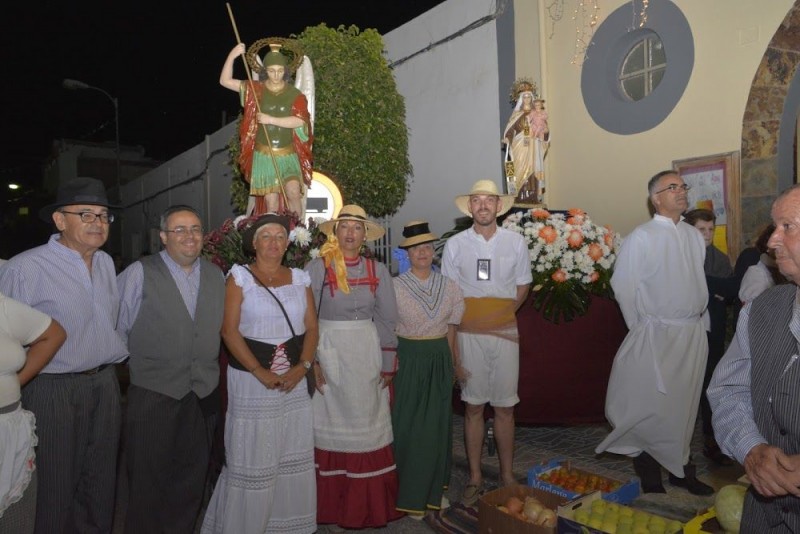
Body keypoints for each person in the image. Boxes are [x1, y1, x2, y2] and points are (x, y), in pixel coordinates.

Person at [0, 176, 130, 533]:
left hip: (105, 384)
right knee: (55, 488)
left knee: (101, 484)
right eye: (85, 214)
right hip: (52, 390)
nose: (97, 223)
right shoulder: (25, 269)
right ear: (59, 220)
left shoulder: (105, 263)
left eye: (103, 216)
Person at [595, 171, 714, 496]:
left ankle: (681, 470)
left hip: (691, 332)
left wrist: (699, 322)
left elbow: (696, 281)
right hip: (656, 332)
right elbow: (623, 285)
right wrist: (642, 325)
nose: (680, 192)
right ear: (656, 198)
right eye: (671, 187)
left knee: (685, 404)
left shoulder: (692, 235)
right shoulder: (642, 237)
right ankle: (650, 474)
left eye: (682, 187)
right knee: (654, 403)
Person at [202, 213, 319, 533]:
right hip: (251, 382)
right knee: (251, 452)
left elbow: (311, 328)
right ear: (253, 244)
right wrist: (259, 371)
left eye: (280, 237)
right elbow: (229, 331)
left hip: (293, 381)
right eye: (266, 237)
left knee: (289, 448)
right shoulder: (239, 278)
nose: (274, 243)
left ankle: (286, 525)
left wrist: (303, 367)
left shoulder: (300, 279)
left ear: (288, 244)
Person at [116, 205, 225, 533]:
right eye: (179, 230)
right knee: (148, 479)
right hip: (154, 395)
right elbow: (117, 329)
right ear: (163, 237)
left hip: (202, 393)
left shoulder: (217, 275)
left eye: (195, 229)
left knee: (191, 478)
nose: (189, 236)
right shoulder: (139, 272)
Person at [708, 184, 800, 531]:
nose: (772, 241)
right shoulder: (760, 311)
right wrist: (752, 448)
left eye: (786, 227)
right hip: (765, 518)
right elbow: (727, 390)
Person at [305, 204, 402, 529]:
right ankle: (330, 506)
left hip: (365, 355)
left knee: (366, 423)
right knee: (329, 424)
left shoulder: (379, 271)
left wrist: (388, 362)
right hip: (329, 354)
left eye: (356, 228)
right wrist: (312, 362)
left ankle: (368, 505)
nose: (349, 233)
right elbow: (307, 321)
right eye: (344, 226)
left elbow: (388, 320)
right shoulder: (317, 268)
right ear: (336, 232)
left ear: (364, 235)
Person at [441, 180, 532, 504]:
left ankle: (507, 474)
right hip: (468, 335)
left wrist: (500, 315)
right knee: (474, 405)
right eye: (476, 200)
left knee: (506, 406)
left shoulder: (515, 242)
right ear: (470, 208)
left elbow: (523, 286)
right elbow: (450, 294)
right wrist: (466, 329)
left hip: (505, 333)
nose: (482, 206)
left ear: (498, 206)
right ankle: (477, 476)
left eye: (488, 200)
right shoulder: (456, 245)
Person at [391, 221, 465, 519]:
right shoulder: (394, 287)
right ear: (406, 253)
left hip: (438, 358)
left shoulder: (450, 286)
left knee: (436, 426)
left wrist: (453, 365)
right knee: (407, 425)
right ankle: (409, 493)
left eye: (425, 247)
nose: (421, 252)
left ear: (432, 251)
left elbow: (452, 330)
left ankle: (435, 490)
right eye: (414, 248)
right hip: (407, 358)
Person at [221, 42, 313, 217]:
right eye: (271, 70)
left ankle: (296, 233)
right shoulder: (256, 90)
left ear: (286, 70)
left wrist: (270, 119)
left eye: (280, 70)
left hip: (288, 154)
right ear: (265, 71)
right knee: (271, 201)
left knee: (293, 192)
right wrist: (233, 54)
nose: (276, 74)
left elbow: (300, 122)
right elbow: (224, 81)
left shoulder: (295, 94)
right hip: (264, 153)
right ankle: (273, 233)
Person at [0, 294, 65, 534]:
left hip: (12, 430)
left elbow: (53, 334)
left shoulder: (3, 306)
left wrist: (15, 382)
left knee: (17, 522)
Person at [683, 208, 737, 466]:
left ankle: (711, 440)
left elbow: (730, 290)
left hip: (713, 332)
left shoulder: (721, 258)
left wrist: (704, 285)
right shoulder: (681, 257)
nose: (706, 234)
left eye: (710, 229)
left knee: (709, 385)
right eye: (701, 229)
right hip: (684, 333)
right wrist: (712, 287)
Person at [503, 85, 549, 205]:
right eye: (525, 97)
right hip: (519, 146)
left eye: (529, 97)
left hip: (533, 146)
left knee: (532, 169)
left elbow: (545, 131)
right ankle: (517, 196)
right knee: (517, 170)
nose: (527, 99)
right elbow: (510, 130)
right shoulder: (516, 115)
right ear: (520, 99)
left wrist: (545, 132)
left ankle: (532, 197)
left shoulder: (538, 114)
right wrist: (507, 139)